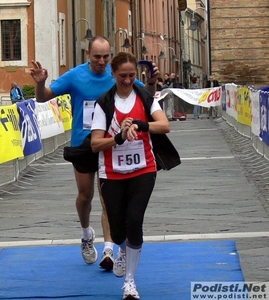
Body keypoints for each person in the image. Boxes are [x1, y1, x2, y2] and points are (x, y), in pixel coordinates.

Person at [30, 36, 159, 271]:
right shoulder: (75, 76)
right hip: (83, 143)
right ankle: (86, 233)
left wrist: (151, 82)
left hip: (111, 143)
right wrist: (40, 82)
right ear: (88, 54)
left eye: (105, 57)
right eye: (97, 56)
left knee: (108, 199)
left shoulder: (117, 75)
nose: (101, 61)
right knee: (85, 196)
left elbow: (146, 95)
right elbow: (43, 97)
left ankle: (108, 249)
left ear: (110, 57)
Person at [90, 52, 172, 299]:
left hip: (143, 169)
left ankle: (130, 283)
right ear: (113, 74)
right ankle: (123, 249)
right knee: (117, 231)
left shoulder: (145, 98)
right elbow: (95, 144)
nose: (127, 80)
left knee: (134, 220)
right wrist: (119, 137)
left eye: (132, 75)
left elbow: (165, 125)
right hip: (112, 172)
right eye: (123, 76)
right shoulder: (104, 103)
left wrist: (140, 124)